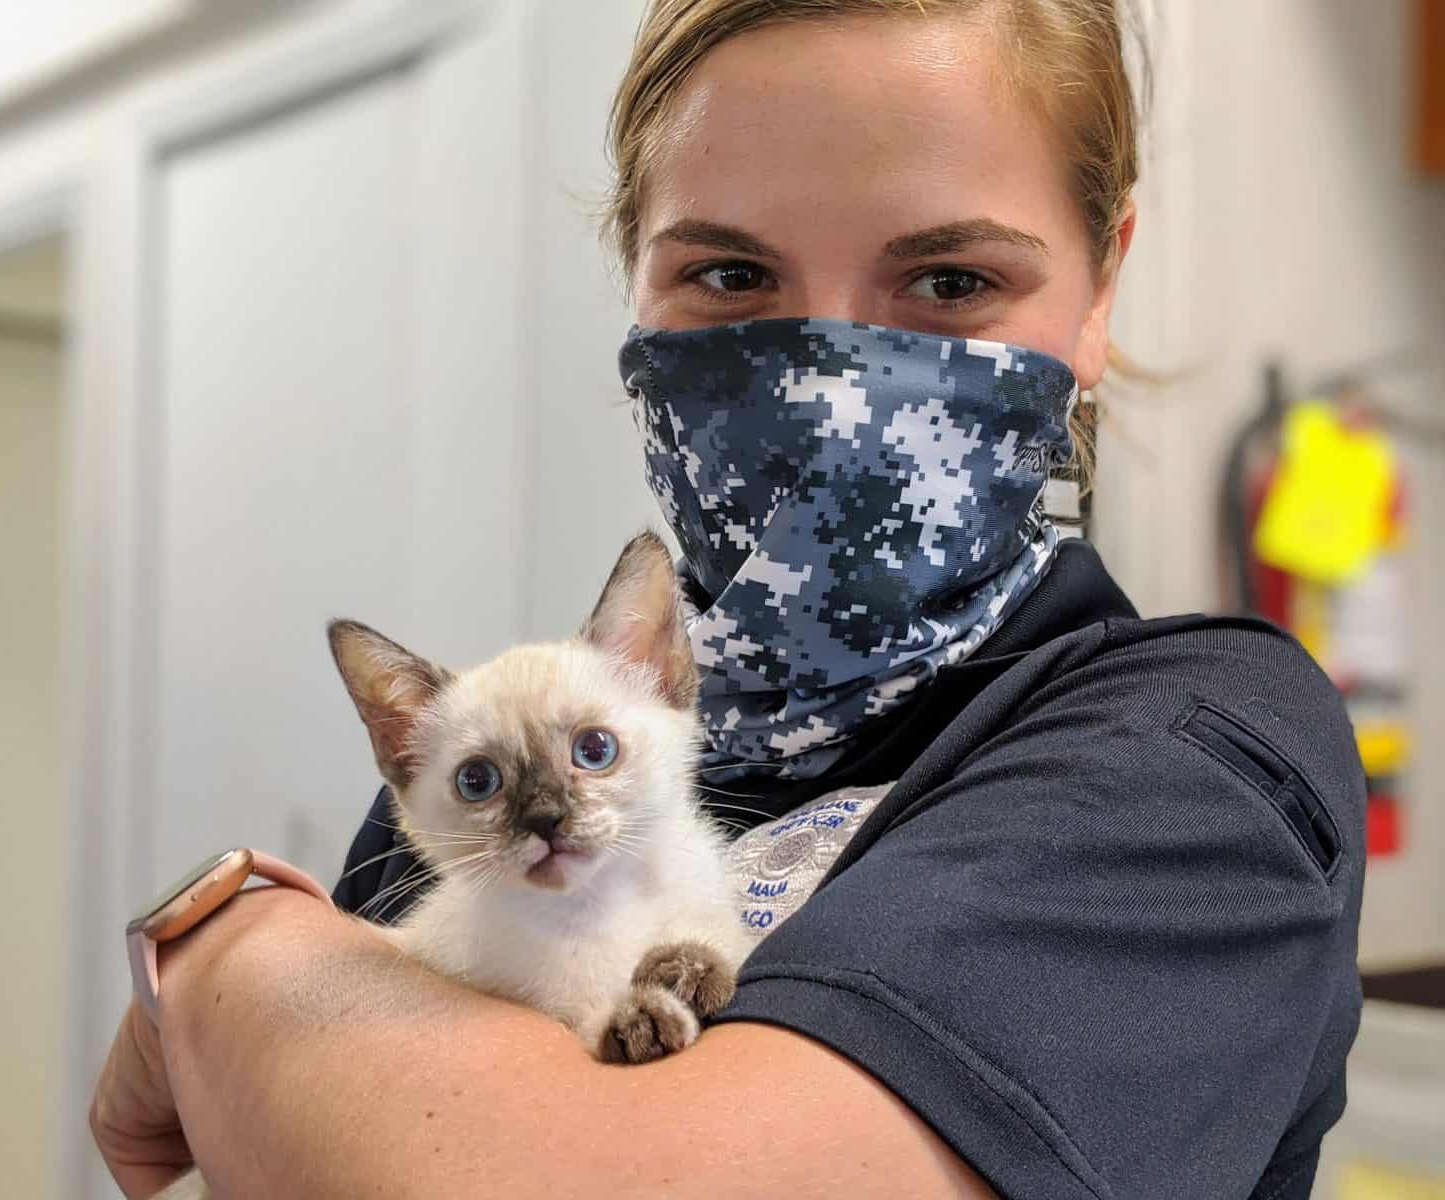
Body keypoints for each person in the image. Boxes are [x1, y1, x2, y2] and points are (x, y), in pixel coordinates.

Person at [91, 2, 1365, 1196]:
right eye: (732, 277)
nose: (827, 386)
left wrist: (229, 958)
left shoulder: (1190, 763)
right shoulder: (495, 765)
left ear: (1100, 289)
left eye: (949, 281)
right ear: (636, 284)